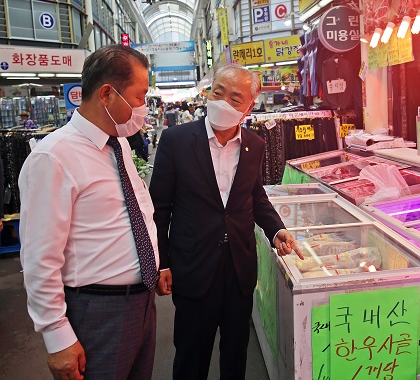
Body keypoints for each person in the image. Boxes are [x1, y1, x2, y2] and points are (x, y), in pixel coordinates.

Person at [149, 63, 304, 380]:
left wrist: (276, 229)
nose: (223, 102)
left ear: (249, 107)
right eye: (218, 93)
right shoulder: (176, 141)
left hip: (238, 268)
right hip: (193, 267)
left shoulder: (255, 145)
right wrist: (161, 263)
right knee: (191, 357)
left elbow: (255, 196)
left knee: (235, 354)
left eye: (235, 98)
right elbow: (159, 208)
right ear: (208, 93)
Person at [19, 44, 159, 380]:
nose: (143, 108)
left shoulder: (119, 144)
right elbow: (40, 256)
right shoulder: (54, 157)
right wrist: (57, 336)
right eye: (139, 97)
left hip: (142, 304)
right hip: (98, 310)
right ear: (108, 94)